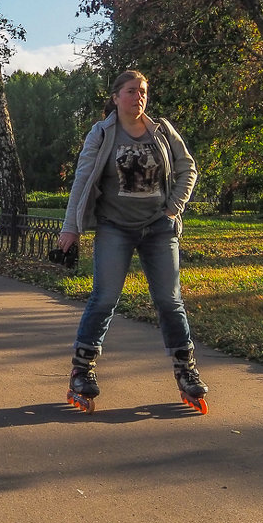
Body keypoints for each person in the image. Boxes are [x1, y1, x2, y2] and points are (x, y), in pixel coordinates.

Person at [56, 70, 208, 410]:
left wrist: (173, 209)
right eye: (130, 91)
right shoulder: (102, 133)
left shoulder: (162, 132)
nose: (138, 97)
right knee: (105, 297)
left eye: (142, 91)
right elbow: (82, 180)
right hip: (115, 227)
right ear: (115, 97)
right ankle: (82, 371)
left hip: (158, 227)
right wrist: (71, 228)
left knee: (170, 300)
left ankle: (186, 371)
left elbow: (188, 169)